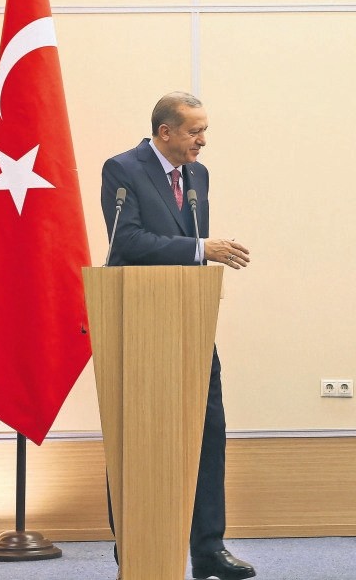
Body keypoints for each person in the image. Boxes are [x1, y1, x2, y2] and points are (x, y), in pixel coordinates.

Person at [100, 91, 255, 580]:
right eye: (194, 131)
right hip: (139, 326)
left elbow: (188, 248)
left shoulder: (198, 176)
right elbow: (126, 241)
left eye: (204, 130)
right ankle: (137, 545)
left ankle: (209, 548)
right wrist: (199, 248)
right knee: (138, 436)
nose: (202, 141)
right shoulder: (122, 169)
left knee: (209, 433)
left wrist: (198, 254)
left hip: (190, 322)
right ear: (165, 132)